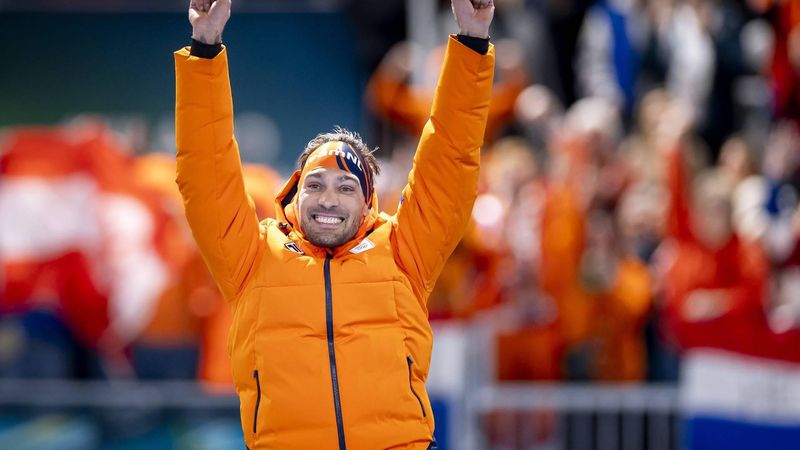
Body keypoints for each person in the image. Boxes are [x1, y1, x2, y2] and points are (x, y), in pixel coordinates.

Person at [175, 0, 495, 448]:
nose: (328, 198)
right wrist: (205, 48)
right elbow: (205, 173)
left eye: (346, 187)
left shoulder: (403, 253)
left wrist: (472, 43)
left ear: (367, 203)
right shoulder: (253, 258)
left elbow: (451, 161)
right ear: (293, 193)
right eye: (316, 185)